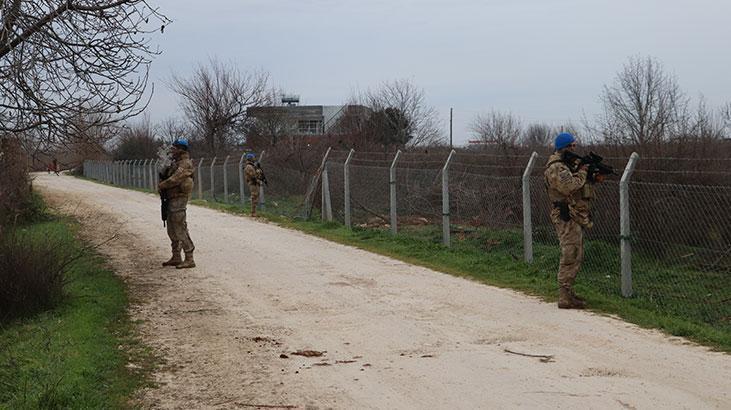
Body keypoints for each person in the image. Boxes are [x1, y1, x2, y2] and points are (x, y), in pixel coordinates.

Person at [544, 132, 594, 309]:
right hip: (565, 215)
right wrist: (583, 171)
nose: (574, 148)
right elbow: (569, 186)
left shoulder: (565, 165)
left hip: (572, 214)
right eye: (571, 146)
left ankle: (568, 292)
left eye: (575, 145)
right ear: (563, 147)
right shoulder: (557, 167)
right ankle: (564, 296)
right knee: (570, 253)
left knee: (576, 253)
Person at [158, 139, 196, 269]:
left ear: (181, 149)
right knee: (172, 229)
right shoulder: (175, 163)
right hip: (170, 199)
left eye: (174, 148)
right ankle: (176, 256)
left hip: (179, 199)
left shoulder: (185, 164)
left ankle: (189, 257)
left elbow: (175, 179)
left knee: (180, 227)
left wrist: (162, 185)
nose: (172, 151)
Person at [243, 152, 264, 217]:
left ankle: (254, 212)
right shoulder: (249, 166)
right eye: (253, 158)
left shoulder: (252, 166)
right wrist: (258, 178)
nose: (254, 159)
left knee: (256, 197)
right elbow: (252, 176)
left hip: (254, 183)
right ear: (251, 158)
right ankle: (253, 212)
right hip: (253, 183)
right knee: (254, 196)